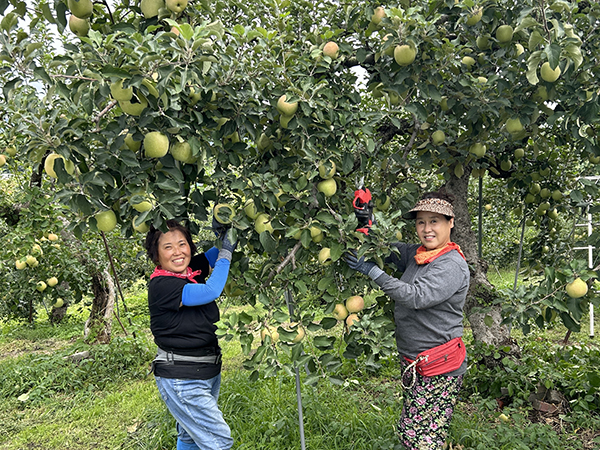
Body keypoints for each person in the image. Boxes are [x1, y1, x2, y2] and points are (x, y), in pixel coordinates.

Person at [345, 190, 469, 450]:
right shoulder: (420, 254)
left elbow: (416, 297)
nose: (427, 229)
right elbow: (391, 249)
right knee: (415, 428)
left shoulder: (451, 264)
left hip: (437, 366)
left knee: (421, 439)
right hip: (416, 361)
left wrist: (371, 270)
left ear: (451, 222)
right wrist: (367, 222)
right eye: (421, 222)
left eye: (435, 221)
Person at [144, 218, 236, 450]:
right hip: (183, 377)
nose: (177, 252)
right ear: (156, 255)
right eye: (168, 247)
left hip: (205, 370)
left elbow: (213, 255)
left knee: (191, 437)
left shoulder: (190, 269)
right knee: (219, 442)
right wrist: (227, 252)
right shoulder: (162, 285)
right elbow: (210, 290)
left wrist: (227, 235)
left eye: (182, 244)